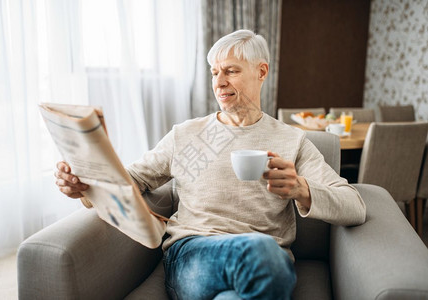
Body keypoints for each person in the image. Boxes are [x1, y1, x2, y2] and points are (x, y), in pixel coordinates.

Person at [54, 29, 366, 299]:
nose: (219, 82)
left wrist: (301, 188)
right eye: (214, 73)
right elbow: (129, 180)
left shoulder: (292, 141)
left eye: (230, 71)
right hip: (193, 254)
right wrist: (83, 186)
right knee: (263, 253)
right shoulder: (187, 135)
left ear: (261, 71)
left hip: (266, 265)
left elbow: (354, 205)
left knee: (253, 271)